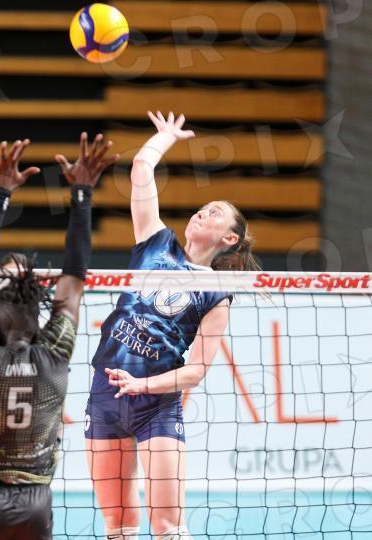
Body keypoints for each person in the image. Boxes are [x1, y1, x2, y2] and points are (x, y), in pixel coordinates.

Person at [84, 112, 259, 540]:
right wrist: (164, 139)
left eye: (214, 213)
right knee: (118, 525)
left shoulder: (217, 292)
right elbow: (141, 170)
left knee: (167, 526)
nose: (202, 212)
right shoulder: (155, 242)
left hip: (157, 405)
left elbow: (196, 370)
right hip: (106, 393)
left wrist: (142, 386)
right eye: (203, 208)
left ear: (229, 239)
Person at [0, 135, 118, 539]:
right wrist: (82, 194)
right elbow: (75, 274)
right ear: (39, 311)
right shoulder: (56, 349)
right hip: (36, 502)